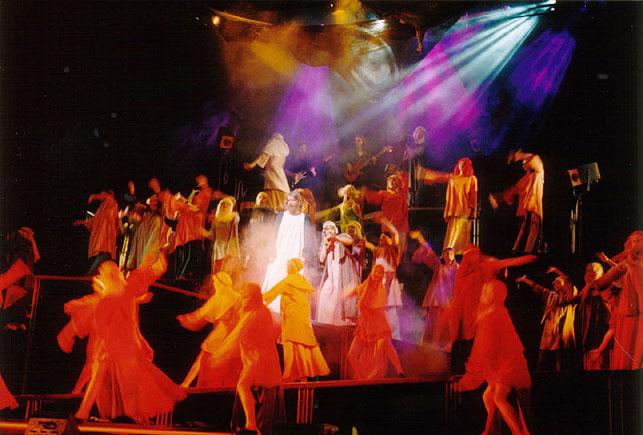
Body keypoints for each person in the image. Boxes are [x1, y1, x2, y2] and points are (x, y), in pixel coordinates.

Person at [59, 254, 186, 422]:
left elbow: (149, 274)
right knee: (103, 381)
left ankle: (128, 416)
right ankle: (85, 413)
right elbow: (99, 323)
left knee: (119, 384)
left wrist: (159, 258)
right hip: (113, 348)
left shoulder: (121, 293)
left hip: (122, 348)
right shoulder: (109, 298)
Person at [455, 279, 531, 435]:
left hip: (509, 363)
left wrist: (470, 377)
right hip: (502, 363)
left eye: (488, 292)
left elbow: (483, 347)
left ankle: (518, 432)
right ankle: (493, 430)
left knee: (499, 397)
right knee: (489, 397)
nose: (484, 294)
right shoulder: (495, 312)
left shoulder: (493, 314)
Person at [210, 282, 282, 433]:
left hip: (258, 360)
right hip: (262, 359)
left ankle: (250, 423)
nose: (242, 300)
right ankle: (255, 425)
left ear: (254, 297)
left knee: (243, 386)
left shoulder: (253, 315)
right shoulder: (262, 311)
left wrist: (219, 356)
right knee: (259, 391)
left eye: (245, 297)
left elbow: (236, 337)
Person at [264, 258, 330, 381]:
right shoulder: (302, 280)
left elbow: (271, 293)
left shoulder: (288, 280)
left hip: (293, 318)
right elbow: (309, 299)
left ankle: (289, 374)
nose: (287, 268)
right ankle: (301, 374)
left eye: (288, 266)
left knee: (290, 344)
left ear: (292, 267)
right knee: (302, 345)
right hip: (303, 318)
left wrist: (257, 298)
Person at [585, 231, 643, 370]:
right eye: (635, 241)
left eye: (640, 240)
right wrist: (593, 286)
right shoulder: (627, 265)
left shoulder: (633, 265)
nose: (638, 243)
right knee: (629, 357)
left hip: (635, 315)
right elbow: (608, 278)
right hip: (630, 315)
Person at [177, 272, 242, 388]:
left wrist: (185, 319)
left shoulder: (219, 299)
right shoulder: (238, 296)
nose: (214, 285)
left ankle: (187, 384)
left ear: (220, 283)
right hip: (235, 335)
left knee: (203, 357)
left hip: (223, 334)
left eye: (215, 282)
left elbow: (200, 315)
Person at [345, 264, 405, 380]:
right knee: (351, 355)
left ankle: (399, 370)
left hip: (378, 325)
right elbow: (355, 291)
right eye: (376, 271)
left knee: (385, 347)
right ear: (372, 272)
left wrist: (389, 280)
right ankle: (361, 375)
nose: (377, 274)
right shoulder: (365, 286)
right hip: (365, 326)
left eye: (380, 273)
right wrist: (344, 296)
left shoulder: (381, 290)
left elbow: (377, 305)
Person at [261, 190, 316, 312]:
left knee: (292, 279)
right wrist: (271, 252)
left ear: (299, 202)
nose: (290, 203)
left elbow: (308, 238)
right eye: (289, 200)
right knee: (275, 273)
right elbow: (274, 234)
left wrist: (306, 255)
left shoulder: (304, 218)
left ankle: (290, 308)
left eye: (293, 200)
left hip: (296, 253)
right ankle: (272, 306)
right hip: (280, 252)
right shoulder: (281, 216)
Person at [515, 272, 579, 371]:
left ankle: (559, 372)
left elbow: (570, 287)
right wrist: (525, 280)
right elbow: (538, 287)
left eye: (559, 282)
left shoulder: (569, 296)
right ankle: (538, 370)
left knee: (558, 351)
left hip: (561, 326)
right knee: (543, 349)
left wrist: (557, 272)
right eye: (555, 283)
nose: (556, 284)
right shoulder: (551, 295)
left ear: (564, 284)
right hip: (550, 324)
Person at [409, 230, 458, 349]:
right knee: (435, 323)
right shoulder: (438, 266)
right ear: (443, 256)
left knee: (448, 324)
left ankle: (447, 345)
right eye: (446, 253)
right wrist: (419, 237)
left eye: (451, 253)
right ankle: (433, 345)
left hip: (450, 300)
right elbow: (429, 250)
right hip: (438, 300)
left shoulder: (457, 268)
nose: (449, 255)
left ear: (454, 255)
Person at [489, 150, 544, 253]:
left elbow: (534, 157)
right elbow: (511, 192)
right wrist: (498, 199)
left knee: (530, 246)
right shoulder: (523, 180)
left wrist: (518, 155)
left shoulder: (538, 173)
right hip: (523, 215)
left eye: (525, 162)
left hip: (534, 213)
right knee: (520, 246)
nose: (523, 164)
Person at [419, 157, 478, 254]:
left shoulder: (472, 179)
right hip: (454, 211)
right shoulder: (453, 178)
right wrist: (447, 212)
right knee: (452, 235)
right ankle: (449, 254)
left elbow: (473, 197)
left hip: (464, 212)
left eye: (465, 164)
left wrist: (473, 212)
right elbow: (448, 194)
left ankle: (459, 254)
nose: (463, 166)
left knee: (462, 235)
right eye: (461, 163)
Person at [317, 221, 360, 325]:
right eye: (327, 229)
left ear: (335, 230)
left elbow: (349, 241)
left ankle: (337, 321)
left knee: (338, 298)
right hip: (332, 276)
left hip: (342, 275)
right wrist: (325, 244)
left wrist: (335, 238)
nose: (329, 230)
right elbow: (321, 259)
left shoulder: (341, 237)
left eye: (331, 228)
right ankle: (325, 321)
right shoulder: (325, 243)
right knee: (324, 295)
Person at [363, 170, 410, 262]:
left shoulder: (403, 194)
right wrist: (363, 192)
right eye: (391, 179)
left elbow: (405, 178)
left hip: (401, 228)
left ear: (399, 183)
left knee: (400, 254)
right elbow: (371, 198)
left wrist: (396, 172)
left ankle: (397, 269)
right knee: (386, 253)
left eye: (395, 180)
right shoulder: (383, 194)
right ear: (387, 183)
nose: (393, 181)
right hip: (388, 229)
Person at [74, 190, 119, 275]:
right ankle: (91, 276)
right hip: (100, 243)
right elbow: (93, 222)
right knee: (100, 261)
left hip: (106, 241)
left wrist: (94, 196)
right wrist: (81, 222)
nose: (101, 195)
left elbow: (108, 198)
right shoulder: (100, 209)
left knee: (103, 258)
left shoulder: (112, 203)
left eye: (103, 194)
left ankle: (89, 276)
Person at [244, 132, 290, 212]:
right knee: (281, 204)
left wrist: (252, 165)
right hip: (280, 179)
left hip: (273, 179)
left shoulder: (274, 143)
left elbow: (264, 156)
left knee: (273, 204)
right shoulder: (284, 146)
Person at [126, 195, 162, 271]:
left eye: (156, 200)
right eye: (152, 201)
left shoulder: (156, 219)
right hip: (140, 254)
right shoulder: (145, 216)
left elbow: (152, 242)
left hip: (146, 257)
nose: (154, 203)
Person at [206, 196, 240, 274]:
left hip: (229, 249)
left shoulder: (233, 217)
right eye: (223, 203)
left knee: (226, 273)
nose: (225, 205)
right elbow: (211, 235)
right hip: (218, 249)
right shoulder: (215, 220)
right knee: (216, 272)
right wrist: (202, 232)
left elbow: (236, 221)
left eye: (228, 204)